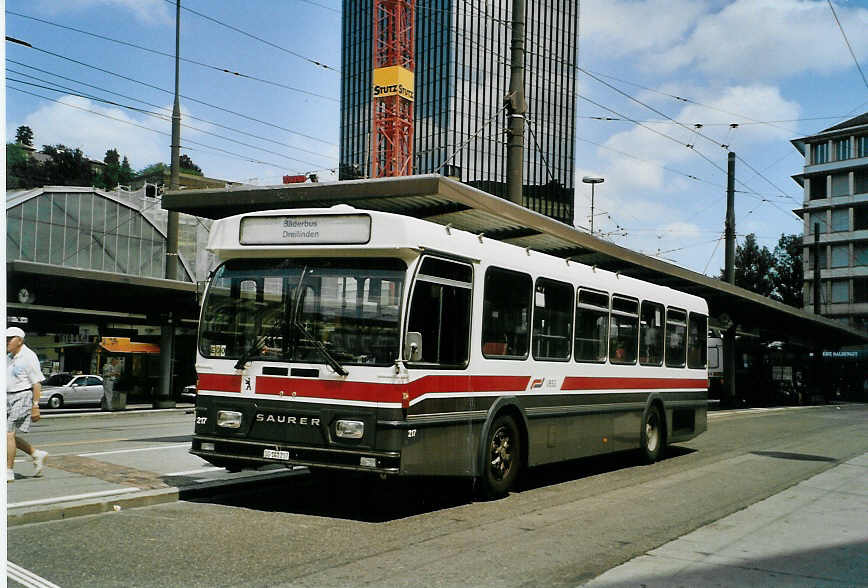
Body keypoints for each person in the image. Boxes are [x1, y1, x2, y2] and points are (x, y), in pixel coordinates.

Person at [6, 326, 47, 482]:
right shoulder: (8, 356)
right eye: (5, 338)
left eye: (10, 339)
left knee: (8, 434)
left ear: (20, 340)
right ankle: (36, 454)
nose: (6, 341)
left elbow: (36, 383)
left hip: (22, 396)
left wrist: (35, 406)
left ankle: (8, 471)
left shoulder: (29, 356)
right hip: (7, 397)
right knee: (7, 436)